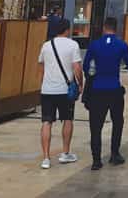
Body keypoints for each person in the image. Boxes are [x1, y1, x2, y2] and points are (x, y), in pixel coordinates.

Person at [83, 17, 128, 171]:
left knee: (96, 125)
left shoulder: (95, 45)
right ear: (116, 28)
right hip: (114, 89)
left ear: (104, 27)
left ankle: (96, 160)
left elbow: (86, 65)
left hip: (97, 89)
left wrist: (91, 77)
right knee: (117, 121)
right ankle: (114, 153)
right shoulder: (121, 45)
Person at [38, 18, 83, 168]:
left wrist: (42, 84)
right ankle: (65, 153)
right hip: (65, 90)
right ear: (67, 30)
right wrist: (80, 84)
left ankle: (46, 158)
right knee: (67, 119)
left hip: (47, 89)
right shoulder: (73, 45)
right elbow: (77, 67)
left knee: (47, 122)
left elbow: (42, 68)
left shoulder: (46, 45)